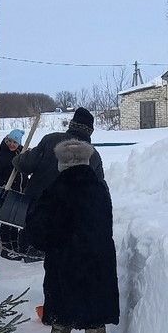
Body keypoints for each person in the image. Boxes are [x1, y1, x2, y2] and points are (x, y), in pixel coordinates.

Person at [24, 139, 119, 333]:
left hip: (63, 261)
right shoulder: (99, 189)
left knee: (61, 305)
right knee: (95, 306)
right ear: (87, 161)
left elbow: (38, 229)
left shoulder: (54, 190)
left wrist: (47, 243)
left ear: (62, 164)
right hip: (97, 260)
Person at [12, 107, 105, 261]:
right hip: (68, 224)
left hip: (36, 214)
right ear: (90, 132)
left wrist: (18, 159)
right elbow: (99, 192)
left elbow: (26, 164)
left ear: (71, 124)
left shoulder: (50, 140)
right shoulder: (93, 156)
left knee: (28, 262)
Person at [0, 129, 27, 260]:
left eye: (15, 142)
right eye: (9, 141)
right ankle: (6, 248)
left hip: (19, 192)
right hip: (7, 191)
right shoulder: (1, 155)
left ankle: (15, 246)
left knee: (15, 221)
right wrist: (3, 184)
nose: (11, 144)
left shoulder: (21, 154)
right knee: (6, 220)